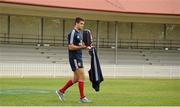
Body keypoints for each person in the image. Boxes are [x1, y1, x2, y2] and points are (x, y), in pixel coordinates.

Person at [56, 17, 91, 103]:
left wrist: (87, 47)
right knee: (82, 76)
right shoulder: (72, 33)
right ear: (76, 23)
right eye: (81, 23)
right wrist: (82, 47)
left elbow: (80, 46)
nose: (83, 25)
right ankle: (82, 98)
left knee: (76, 79)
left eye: (83, 24)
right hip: (74, 58)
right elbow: (70, 46)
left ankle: (61, 91)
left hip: (79, 57)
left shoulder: (79, 34)